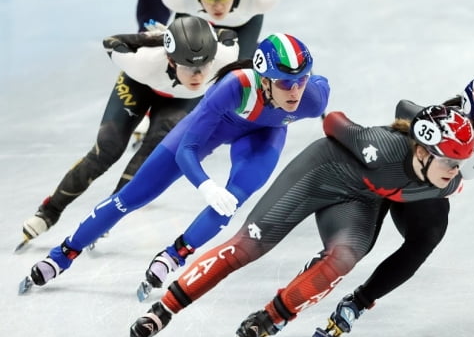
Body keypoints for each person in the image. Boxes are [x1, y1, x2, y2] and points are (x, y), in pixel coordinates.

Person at [123, 103, 474, 337]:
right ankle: (163, 310)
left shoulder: (446, 184)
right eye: (448, 161)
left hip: (358, 198)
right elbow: (335, 121)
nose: (453, 171)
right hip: (320, 173)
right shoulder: (379, 147)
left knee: (343, 258)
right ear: (421, 150)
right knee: (247, 246)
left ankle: (268, 319)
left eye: (458, 164)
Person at [19, 33, 329, 296]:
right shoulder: (232, 88)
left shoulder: (312, 99)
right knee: (132, 196)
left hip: (265, 134)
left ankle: (175, 254)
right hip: (211, 130)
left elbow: (320, 86)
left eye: (301, 80)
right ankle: (64, 254)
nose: (296, 91)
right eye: (286, 83)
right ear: (264, 80)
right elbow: (187, 150)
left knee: (232, 200)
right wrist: (205, 185)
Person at [314, 74, 474, 337]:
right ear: (471, 122)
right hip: (389, 170)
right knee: (356, 247)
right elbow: (403, 107)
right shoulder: (449, 123)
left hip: (424, 190)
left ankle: (357, 304)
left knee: (429, 234)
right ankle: (316, 271)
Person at [17, 16, 237, 252]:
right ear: (171, 61)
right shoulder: (142, 62)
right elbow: (111, 42)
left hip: (180, 102)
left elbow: (229, 36)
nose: (198, 75)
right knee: (107, 150)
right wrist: (156, 39)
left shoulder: (225, 56)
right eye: (189, 66)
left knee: (150, 155)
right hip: (139, 84)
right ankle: (50, 211)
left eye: (205, 66)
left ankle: (105, 214)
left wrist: (205, 33)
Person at [154, 0, 285, 59]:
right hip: (195, 17)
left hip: (245, 23)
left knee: (235, 70)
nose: (218, 6)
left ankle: (256, 52)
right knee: (186, 61)